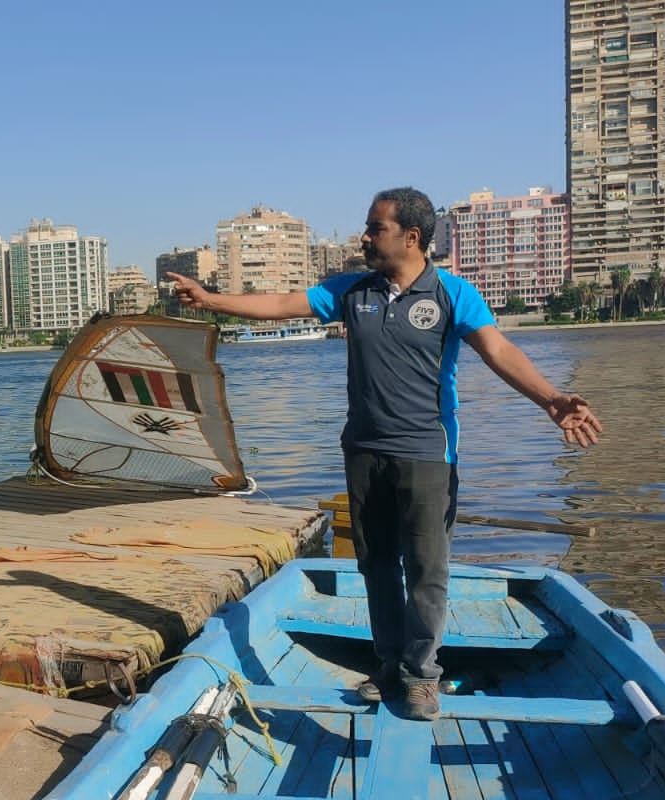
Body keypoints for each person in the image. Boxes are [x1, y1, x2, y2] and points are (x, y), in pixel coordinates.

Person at [168, 187, 602, 721]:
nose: (366, 237)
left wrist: (552, 399)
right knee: (376, 566)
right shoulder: (354, 291)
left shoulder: (452, 294)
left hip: (426, 451)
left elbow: (499, 351)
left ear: (412, 237)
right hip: (365, 450)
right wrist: (211, 300)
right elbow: (282, 305)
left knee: (426, 569)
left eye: (376, 228)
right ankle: (389, 666)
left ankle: (421, 677)